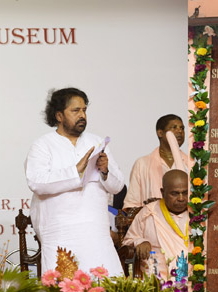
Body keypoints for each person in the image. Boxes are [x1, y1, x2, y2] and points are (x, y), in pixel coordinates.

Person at [25, 87, 124, 276]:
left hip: (96, 231)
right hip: (60, 232)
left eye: (84, 110)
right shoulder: (43, 145)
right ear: (59, 115)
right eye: (75, 111)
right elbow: (36, 182)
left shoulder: (97, 142)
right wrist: (75, 171)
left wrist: (105, 171)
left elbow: (117, 186)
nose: (82, 116)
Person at [122, 169, 188, 279]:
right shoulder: (148, 213)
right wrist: (140, 242)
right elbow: (127, 241)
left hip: (194, 282)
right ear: (163, 192)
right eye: (175, 193)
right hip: (158, 283)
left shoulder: (197, 213)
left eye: (185, 193)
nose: (181, 198)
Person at [123, 114, 188, 208]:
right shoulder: (142, 164)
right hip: (150, 220)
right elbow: (132, 203)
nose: (180, 131)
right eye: (174, 127)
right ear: (160, 133)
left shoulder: (190, 163)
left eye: (182, 128)